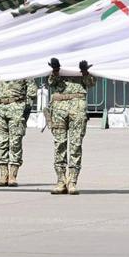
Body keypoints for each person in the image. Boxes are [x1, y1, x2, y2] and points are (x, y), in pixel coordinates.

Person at [45, 57, 95, 195]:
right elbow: (51, 83)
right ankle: (61, 180)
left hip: (78, 105)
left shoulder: (83, 58)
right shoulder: (61, 58)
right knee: (59, 144)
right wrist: (55, 70)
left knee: (76, 144)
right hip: (59, 106)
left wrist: (84, 72)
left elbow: (91, 83)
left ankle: (72, 180)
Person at [0, 76, 36, 187]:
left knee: (15, 142)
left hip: (16, 107)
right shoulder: (2, 68)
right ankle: (3, 174)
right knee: (1, 142)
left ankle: (13, 175)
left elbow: (32, 90)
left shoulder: (25, 70)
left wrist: (26, 106)